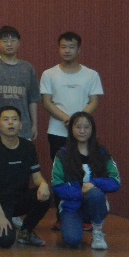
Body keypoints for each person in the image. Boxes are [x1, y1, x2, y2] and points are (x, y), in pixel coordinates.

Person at [0, 106, 52, 249]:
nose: (11, 123)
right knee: (6, 241)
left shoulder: (28, 147)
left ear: (20, 125)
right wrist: (1, 216)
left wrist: (43, 184)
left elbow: (37, 177)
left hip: (19, 198)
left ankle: (25, 232)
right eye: (6, 119)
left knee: (46, 195)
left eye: (14, 119)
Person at [52, 112, 119, 250]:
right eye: (78, 127)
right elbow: (57, 185)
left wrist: (94, 184)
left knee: (95, 194)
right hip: (71, 206)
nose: (82, 131)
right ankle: (72, 225)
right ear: (71, 129)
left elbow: (115, 182)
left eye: (86, 127)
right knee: (72, 240)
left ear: (92, 129)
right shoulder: (62, 154)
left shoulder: (101, 153)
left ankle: (97, 231)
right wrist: (81, 193)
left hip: (94, 202)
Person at [40, 31, 103, 160]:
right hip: (57, 131)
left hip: (84, 131)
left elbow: (94, 102)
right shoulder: (48, 74)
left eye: (71, 47)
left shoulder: (91, 75)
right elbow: (47, 102)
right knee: (59, 168)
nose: (67, 51)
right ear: (59, 49)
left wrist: (77, 121)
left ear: (79, 50)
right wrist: (67, 119)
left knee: (85, 167)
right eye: (63, 47)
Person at [0, 26, 40, 140]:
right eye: (5, 41)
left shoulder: (28, 68)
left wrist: (34, 125)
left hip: (22, 129)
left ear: (19, 43)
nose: (9, 44)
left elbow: (32, 100)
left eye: (13, 40)